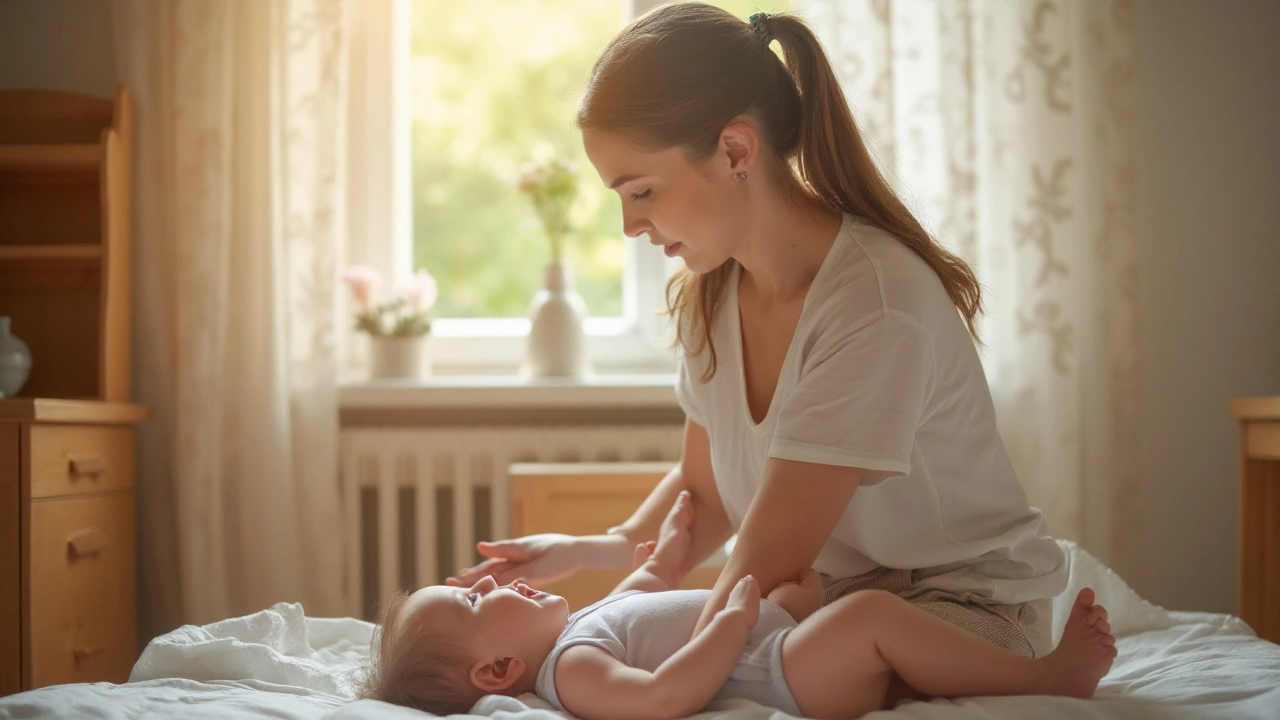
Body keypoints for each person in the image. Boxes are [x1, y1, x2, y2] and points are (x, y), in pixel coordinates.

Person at [451, 1, 1070, 685]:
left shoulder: (874, 307)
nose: (630, 225)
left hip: (963, 615)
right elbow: (708, 496)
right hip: (838, 599)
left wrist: (636, 681)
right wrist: (595, 549)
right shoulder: (712, 294)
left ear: (736, 150)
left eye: (643, 191)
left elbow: (760, 567)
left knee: (718, 648)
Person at [359, 492, 1117, 718]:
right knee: (867, 621)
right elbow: (661, 697)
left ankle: (940, 672)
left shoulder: (578, 629)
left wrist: (662, 550)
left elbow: (646, 592)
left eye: (477, 581)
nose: (489, 582)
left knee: (841, 601)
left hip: (772, 637)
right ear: (496, 670)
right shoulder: (573, 674)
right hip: (778, 673)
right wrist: (731, 626)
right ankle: (1046, 680)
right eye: (475, 602)